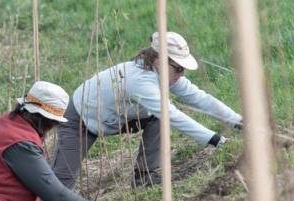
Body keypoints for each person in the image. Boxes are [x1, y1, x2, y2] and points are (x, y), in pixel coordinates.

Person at [66, 32, 241, 188]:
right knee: (62, 180)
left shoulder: (165, 73)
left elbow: (200, 98)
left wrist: (238, 122)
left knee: (157, 117)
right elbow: (171, 115)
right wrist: (217, 141)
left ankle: (144, 176)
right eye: (178, 68)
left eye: (184, 69)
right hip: (82, 119)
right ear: (159, 60)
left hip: (117, 117)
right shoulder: (139, 80)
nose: (182, 75)